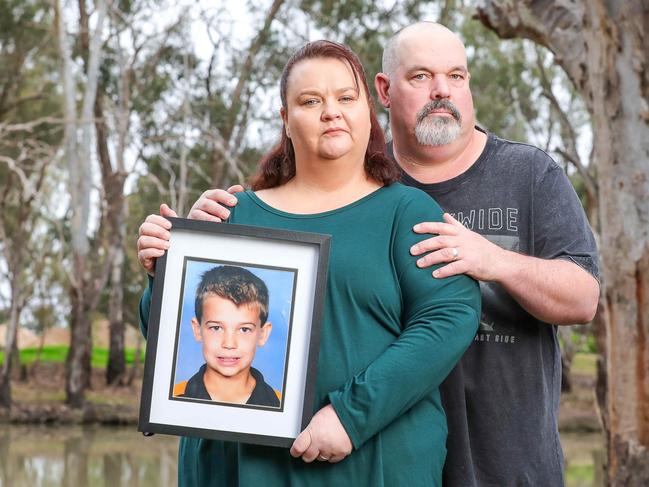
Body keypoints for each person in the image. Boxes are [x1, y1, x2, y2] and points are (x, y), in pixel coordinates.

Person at [184, 23, 600, 487]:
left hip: (501, 456)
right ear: (382, 92)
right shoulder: (356, 186)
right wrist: (188, 251)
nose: (442, 90)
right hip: (380, 448)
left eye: (456, 76)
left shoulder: (528, 173)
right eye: (421, 76)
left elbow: (584, 298)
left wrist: (493, 261)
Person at [137, 40, 481, 486]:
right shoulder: (234, 213)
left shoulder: (408, 213)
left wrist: (350, 415)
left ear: (367, 111)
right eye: (310, 101)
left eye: (345, 97)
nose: (331, 111)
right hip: (242, 467)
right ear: (285, 119)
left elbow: (449, 317)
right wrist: (161, 273)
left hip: (376, 462)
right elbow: (169, 339)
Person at [173, 265, 280, 408]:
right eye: (216, 328)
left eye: (244, 329)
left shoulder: (281, 405)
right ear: (197, 329)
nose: (229, 344)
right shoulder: (174, 398)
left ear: (263, 334)